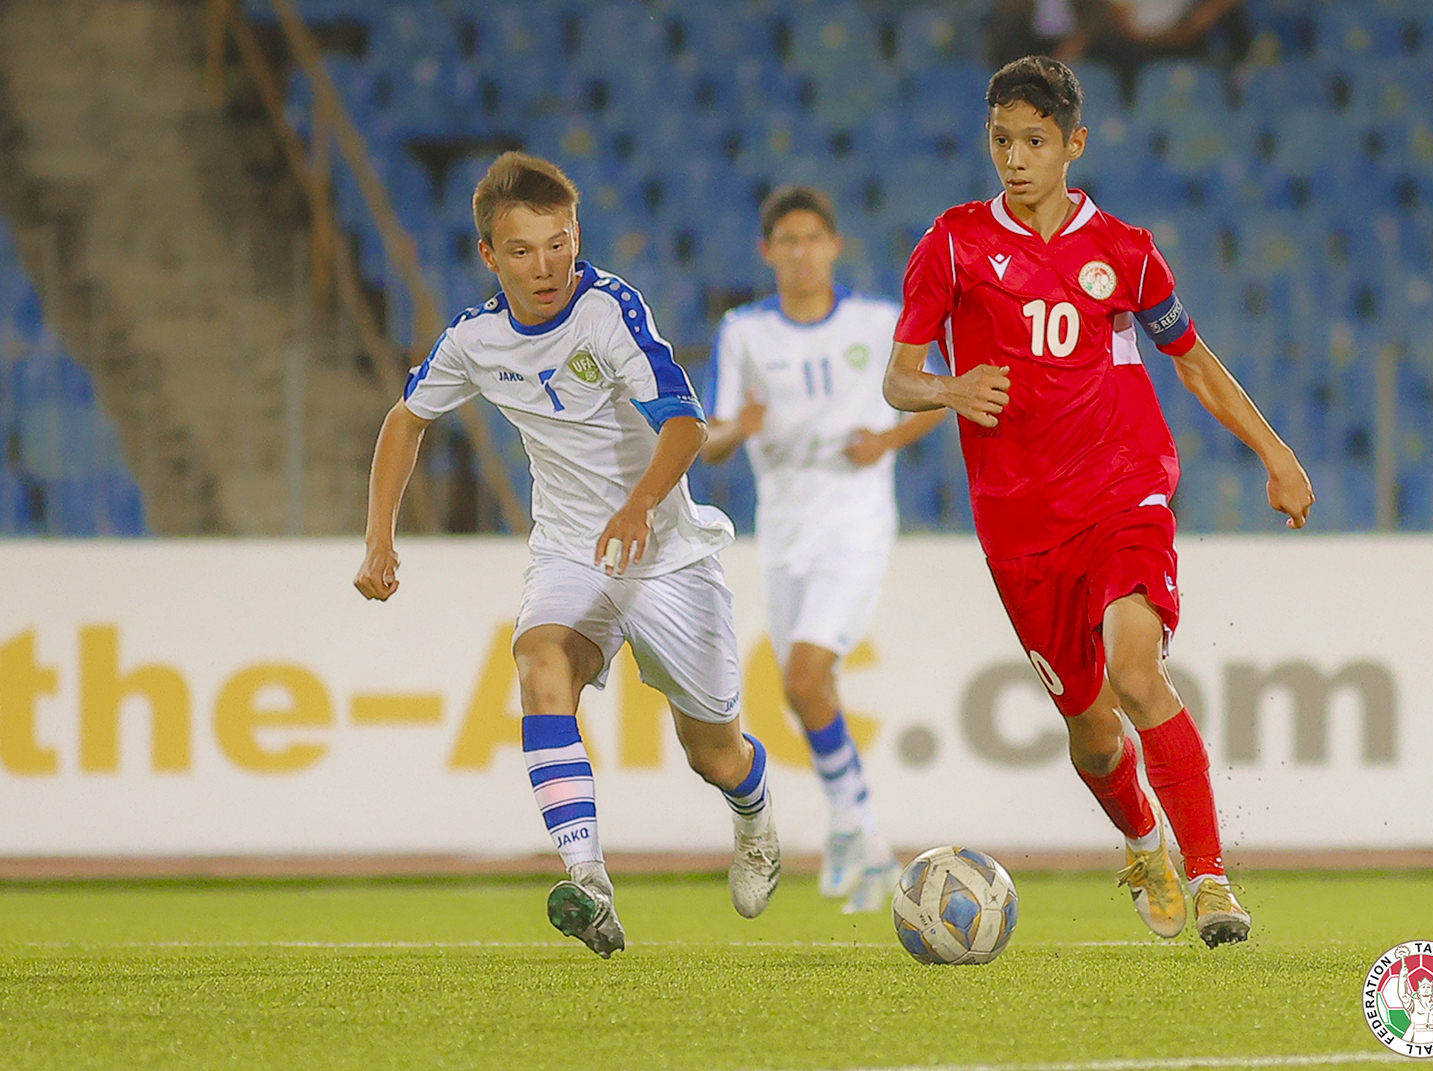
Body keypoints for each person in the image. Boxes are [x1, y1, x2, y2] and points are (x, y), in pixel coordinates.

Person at [883, 56, 1314, 948]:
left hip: (1124, 488)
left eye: (1035, 141)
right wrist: (950, 391)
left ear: (1074, 145)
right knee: (1091, 731)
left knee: (1135, 670)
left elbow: (1191, 362)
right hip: (1019, 527)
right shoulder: (954, 245)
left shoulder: (1124, 251)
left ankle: (1213, 881)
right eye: (1002, 140)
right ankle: (1143, 840)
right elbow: (897, 379)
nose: (1015, 157)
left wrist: (1275, 452)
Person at [354, 151, 781, 958]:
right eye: (522, 250)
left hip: (666, 556)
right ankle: (588, 880)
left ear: (575, 234)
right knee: (539, 667)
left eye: (559, 244)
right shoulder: (475, 339)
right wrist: (380, 535)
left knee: (714, 752)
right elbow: (405, 420)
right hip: (570, 552)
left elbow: (683, 424)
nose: (546, 266)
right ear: (489, 255)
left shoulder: (611, 310)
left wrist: (638, 503)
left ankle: (756, 817)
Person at [701, 186, 948, 912]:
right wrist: (739, 428)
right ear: (768, 251)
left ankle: (849, 827)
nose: (802, 252)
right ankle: (867, 840)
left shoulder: (877, 322)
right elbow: (708, 436)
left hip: (854, 519)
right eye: (788, 241)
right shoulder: (744, 331)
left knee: (806, 677)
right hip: (784, 527)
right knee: (803, 687)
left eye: (814, 238)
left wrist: (887, 439)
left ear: (835, 246)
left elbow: (940, 392)